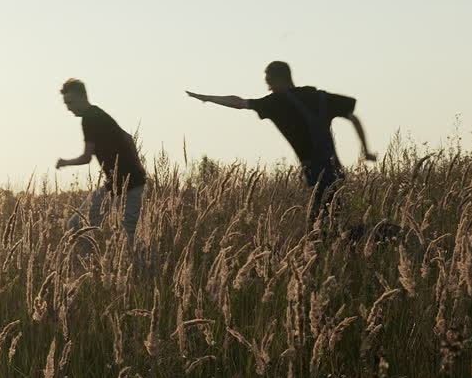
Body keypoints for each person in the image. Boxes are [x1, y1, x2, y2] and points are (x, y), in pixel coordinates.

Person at [186, 60, 375, 229]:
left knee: (321, 230)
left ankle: (386, 233)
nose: (268, 87)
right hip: (335, 169)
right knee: (331, 224)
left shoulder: (277, 102)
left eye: (269, 82)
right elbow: (353, 118)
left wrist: (207, 98)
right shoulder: (318, 96)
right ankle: (373, 237)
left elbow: (239, 103)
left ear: (278, 79)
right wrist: (365, 151)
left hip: (315, 172)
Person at [56, 79, 147, 244]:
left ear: (82, 96)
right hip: (115, 186)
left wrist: (64, 162)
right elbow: (128, 138)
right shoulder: (97, 114)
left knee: (129, 239)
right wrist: (138, 167)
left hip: (130, 186)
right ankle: (95, 266)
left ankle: (138, 269)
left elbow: (86, 157)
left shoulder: (90, 118)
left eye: (70, 102)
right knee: (76, 226)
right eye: (66, 104)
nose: (68, 108)